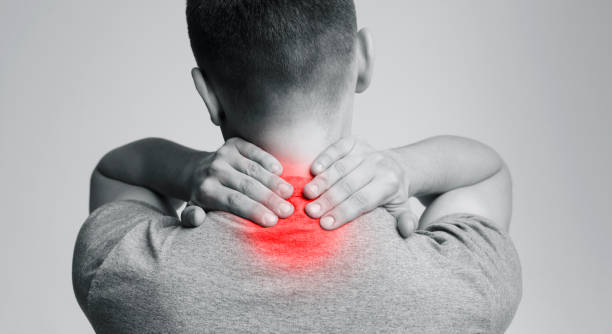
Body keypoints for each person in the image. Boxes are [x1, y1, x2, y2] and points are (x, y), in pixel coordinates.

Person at [72, 1, 522, 333]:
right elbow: (487, 172)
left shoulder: (134, 273)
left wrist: (189, 169)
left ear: (207, 93)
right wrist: (403, 168)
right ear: (362, 58)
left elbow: (116, 171)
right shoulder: (456, 282)